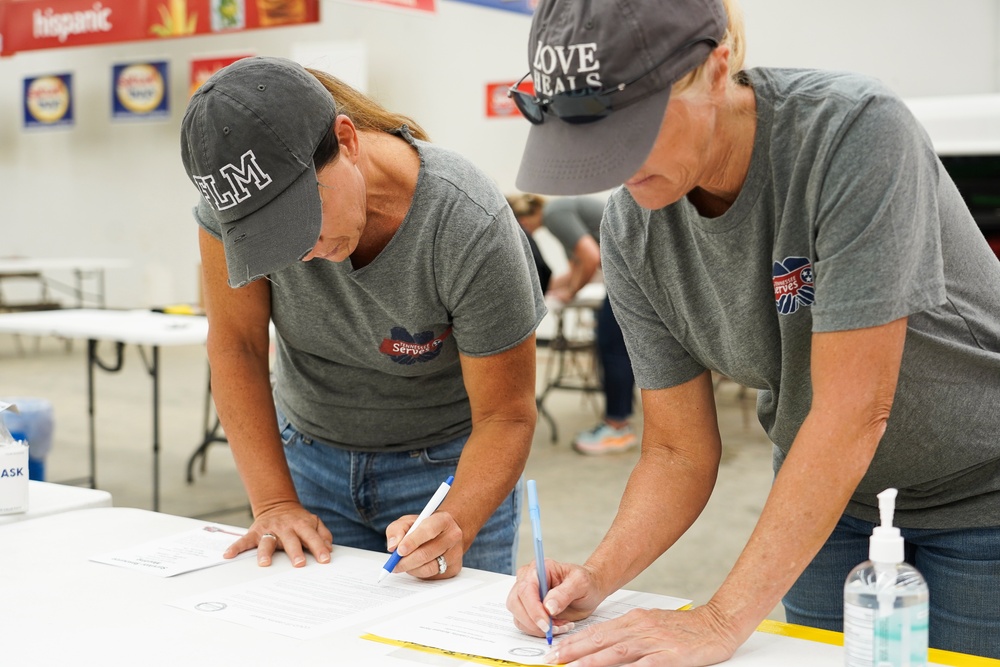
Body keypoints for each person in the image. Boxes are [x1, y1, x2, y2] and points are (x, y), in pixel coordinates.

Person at [504, 0, 1000, 662]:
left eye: (631, 131)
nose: (614, 165)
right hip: (829, 501)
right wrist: (596, 577)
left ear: (716, 67)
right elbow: (678, 451)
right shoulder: (634, 229)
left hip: (981, 489)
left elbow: (854, 411)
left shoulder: (851, 133)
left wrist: (720, 617)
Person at [180, 56, 546, 579]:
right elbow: (235, 345)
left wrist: (456, 518)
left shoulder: (465, 220)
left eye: (300, 221)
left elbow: (506, 415)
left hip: (450, 467)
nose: (299, 253)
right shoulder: (230, 204)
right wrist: (274, 503)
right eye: (267, 239)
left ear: (347, 141)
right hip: (308, 456)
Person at [506, 193, 638, 455]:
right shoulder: (562, 214)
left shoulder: (555, 214)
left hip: (630, 272)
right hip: (630, 270)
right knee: (616, 347)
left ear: (522, 220)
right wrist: (544, 290)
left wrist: (570, 293)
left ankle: (617, 426)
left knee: (611, 348)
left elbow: (590, 258)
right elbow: (576, 269)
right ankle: (620, 416)